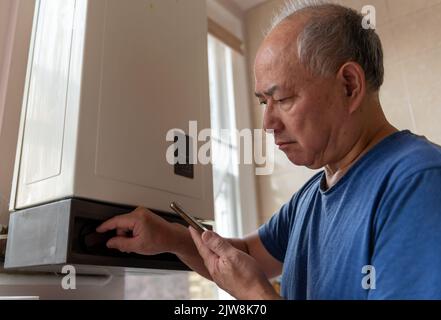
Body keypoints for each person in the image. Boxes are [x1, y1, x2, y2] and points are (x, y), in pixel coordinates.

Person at [97, 1, 441, 300]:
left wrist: (254, 295)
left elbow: (251, 279)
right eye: (263, 102)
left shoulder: (418, 183)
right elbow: (246, 255)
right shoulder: (309, 199)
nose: (267, 122)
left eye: (284, 99)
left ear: (349, 86)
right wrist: (168, 236)